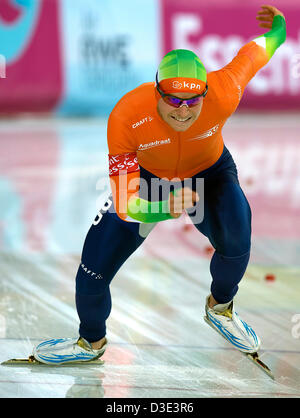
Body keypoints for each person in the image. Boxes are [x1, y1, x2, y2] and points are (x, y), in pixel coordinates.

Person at [33, 5, 286, 364]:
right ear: (157, 92)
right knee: (92, 271)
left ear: (205, 94)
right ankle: (90, 342)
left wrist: (279, 28)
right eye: (172, 99)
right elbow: (125, 204)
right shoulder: (125, 116)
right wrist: (162, 208)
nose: (183, 110)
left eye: (193, 100)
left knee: (238, 233)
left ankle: (221, 305)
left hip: (209, 173)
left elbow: (255, 53)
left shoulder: (224, 90)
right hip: (148, 182)